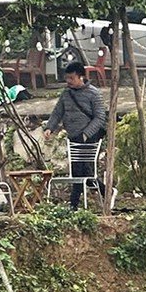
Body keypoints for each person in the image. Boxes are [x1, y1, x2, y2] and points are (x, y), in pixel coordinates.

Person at [45, 60, 108, 207]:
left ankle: (75, 203)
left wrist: (86, 134)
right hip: (73, 137)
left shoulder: (93, 93)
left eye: (72, 78)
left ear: (81, 77)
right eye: (67, 78)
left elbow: (100, 117)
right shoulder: (66, 94)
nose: (68, 81)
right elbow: (57, 112)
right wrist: (50, 128)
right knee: (77, 172)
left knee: (86, 170)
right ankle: (103, 193)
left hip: (89, 137)